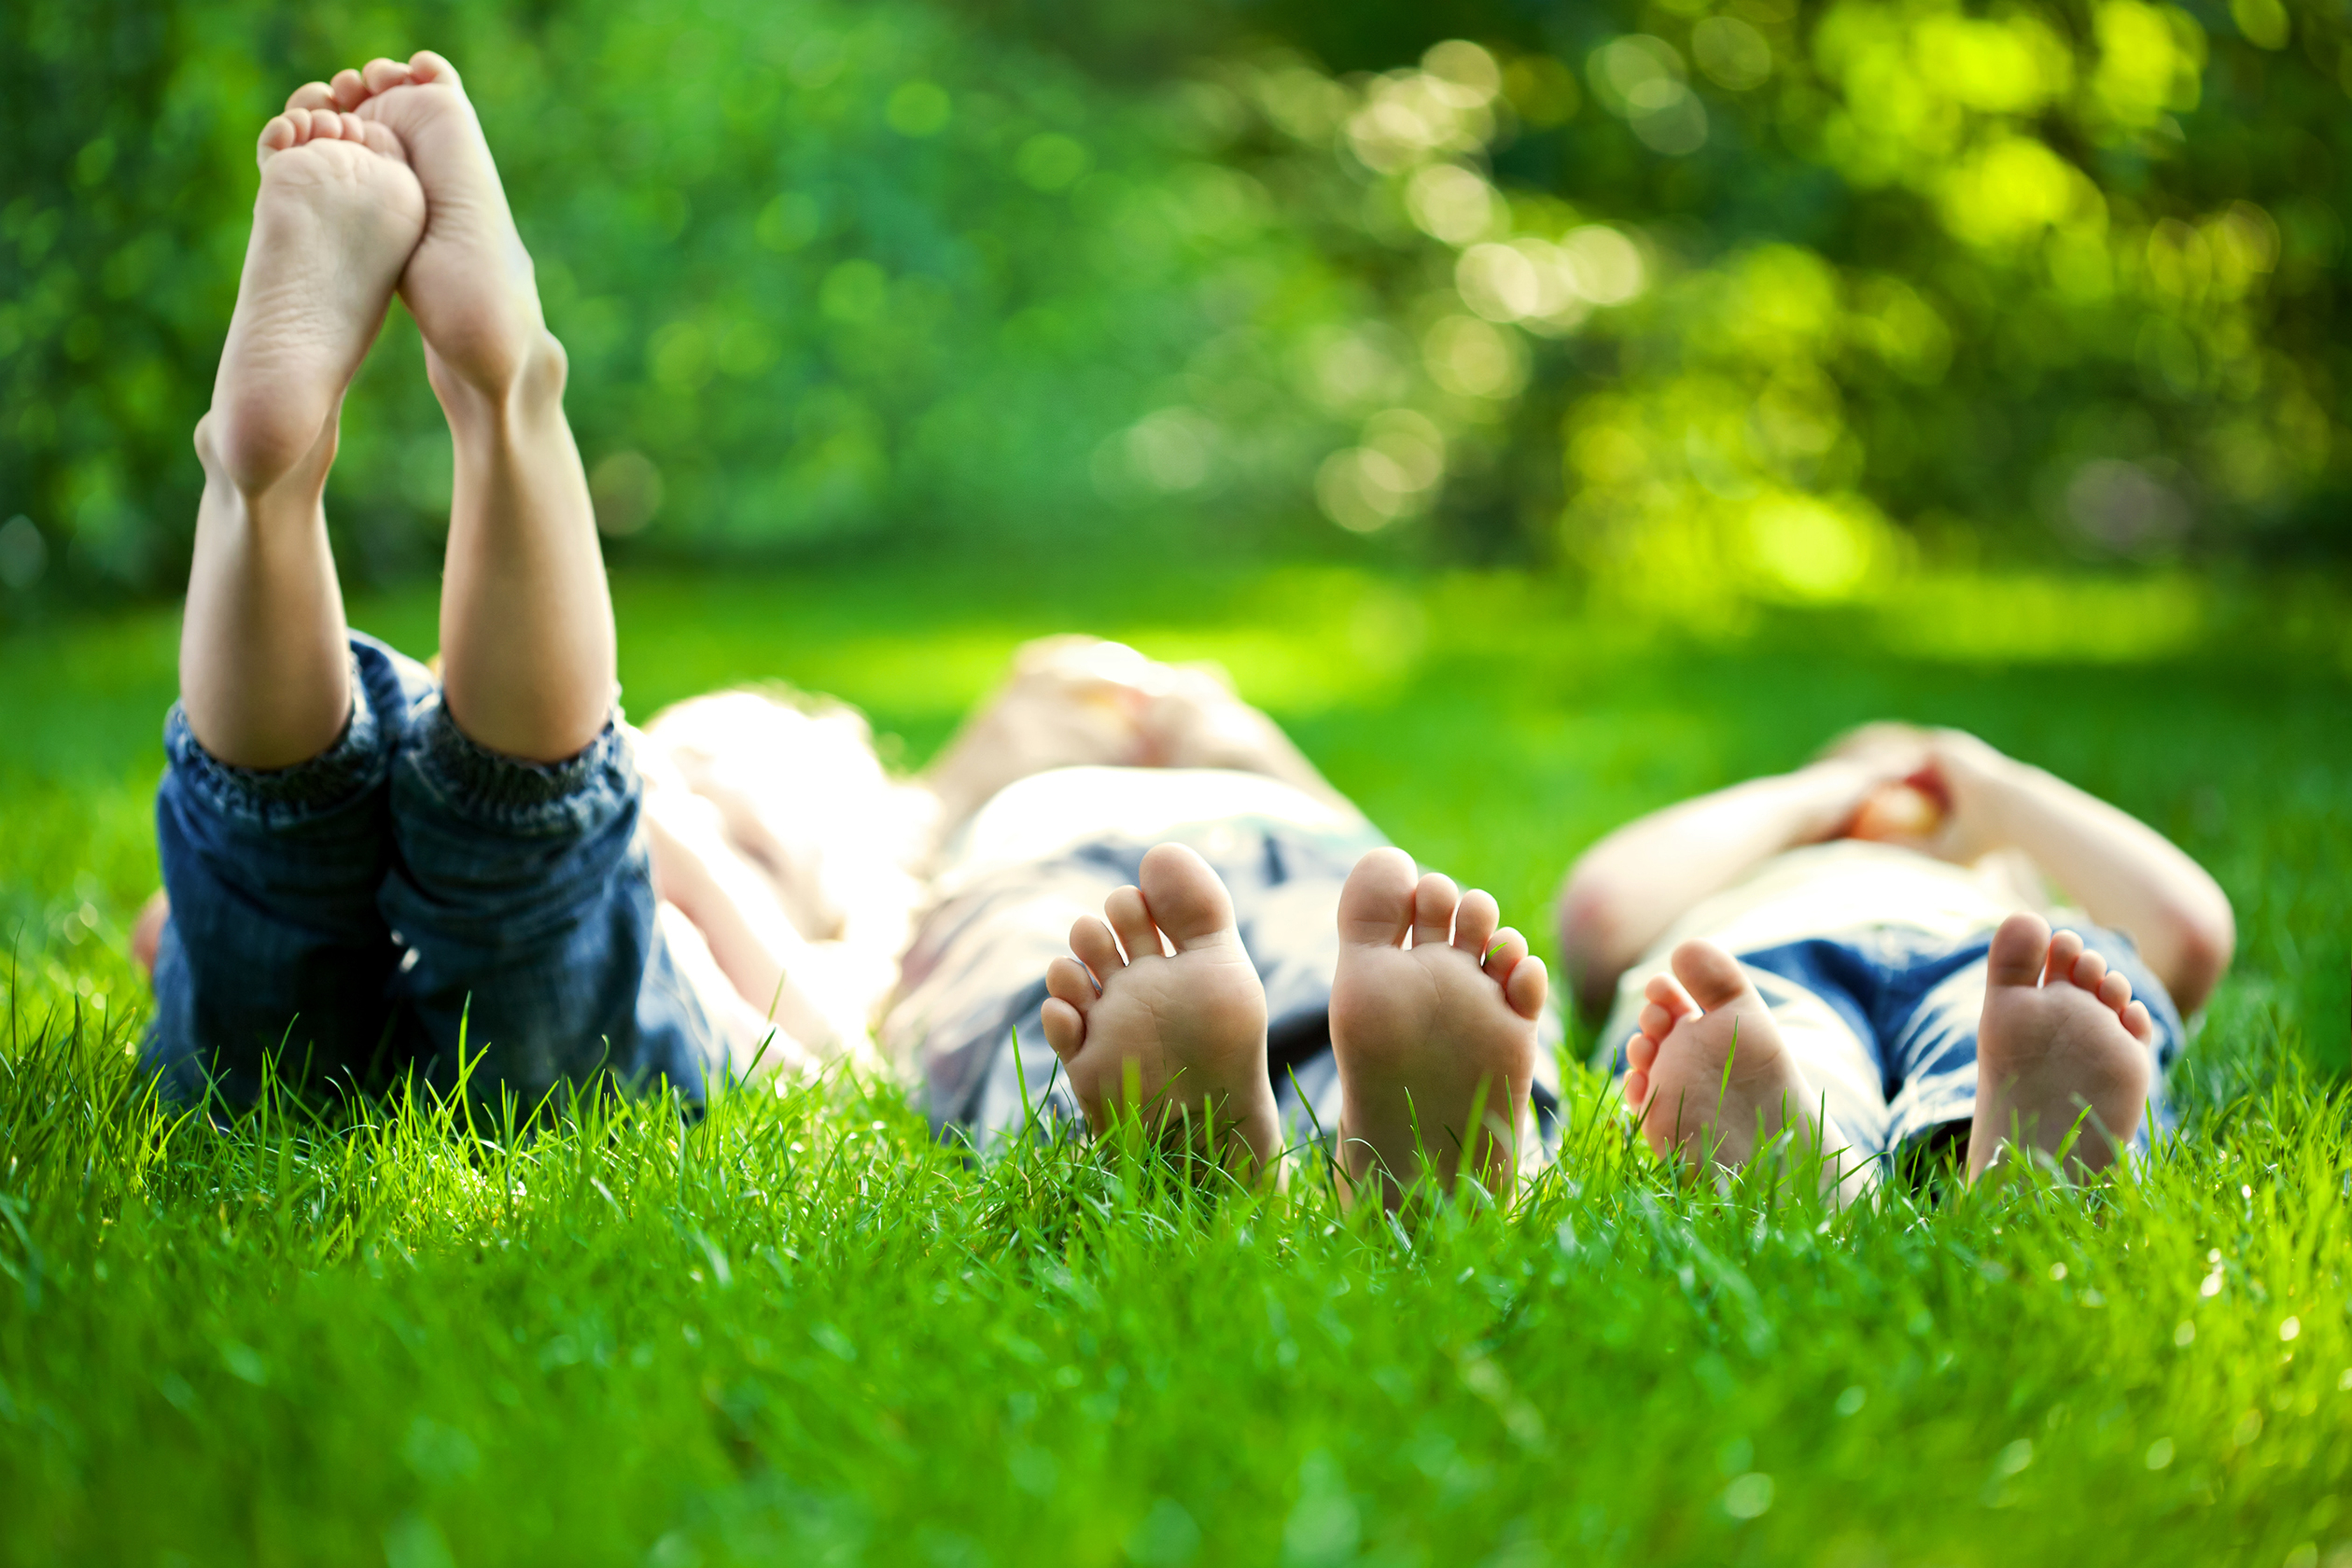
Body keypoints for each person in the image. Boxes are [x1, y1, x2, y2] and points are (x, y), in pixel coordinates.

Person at [143, 53, 1557, 1207]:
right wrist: (663, 808)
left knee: (280, 836)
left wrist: (669, 823)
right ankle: (501, 400)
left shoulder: (863, 894)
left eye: (759, 801)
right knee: (506, 811)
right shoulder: (867, 892)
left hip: (291, 1023)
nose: (700, 786)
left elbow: (830, 1002)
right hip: (558, 1015)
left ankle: (262, 479)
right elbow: (813, 1028)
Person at [1556, 725, 2235, 1190]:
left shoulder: (2005, 892)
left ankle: (2023, 1152)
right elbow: (1601, 914)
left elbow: (2189, 934)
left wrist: (1996, 794)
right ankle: (1813, 1169)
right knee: (1762, 1048)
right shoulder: (1752, 873)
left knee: (2027, 1023)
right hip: (1763, 960)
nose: (1898, 789)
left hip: (1988, 962)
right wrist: (1818, 794)